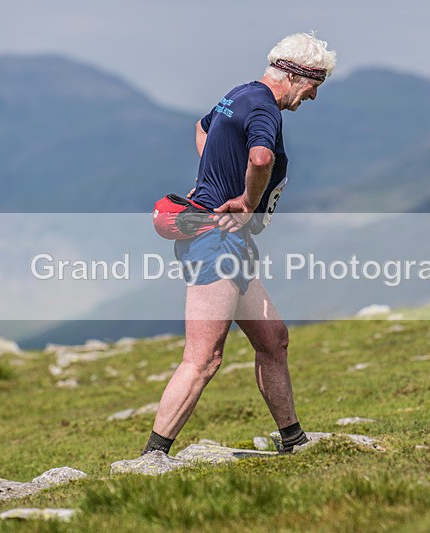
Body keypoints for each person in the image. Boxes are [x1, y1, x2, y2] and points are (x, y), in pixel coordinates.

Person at [142, 32, 336, 455]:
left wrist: (214, 180)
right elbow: (261, 158)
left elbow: (202, 127)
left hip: (228, 244)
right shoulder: (265, 107)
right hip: (216, 244)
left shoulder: (240, 94)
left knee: (273, 339)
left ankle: (294, 441)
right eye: (313, 86)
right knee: (204, 358)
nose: (313, 97)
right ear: (294, 75)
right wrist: (246, 202)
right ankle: (152, 456)